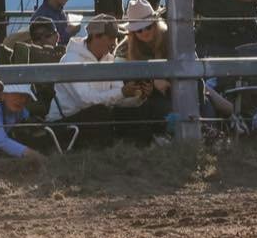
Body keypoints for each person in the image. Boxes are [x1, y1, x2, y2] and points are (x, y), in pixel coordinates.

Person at [50, 12, 171, 147]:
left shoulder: (108, 59)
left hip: (93, 116)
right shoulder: (71, 60)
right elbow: (85, 101)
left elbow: (118, 97)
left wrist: (139, 96)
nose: (114, 43)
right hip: (66, 121)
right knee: (101, 112)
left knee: (142, 108)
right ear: (96, 37)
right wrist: (122, 92)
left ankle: (144, 145)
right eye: (111, 38)